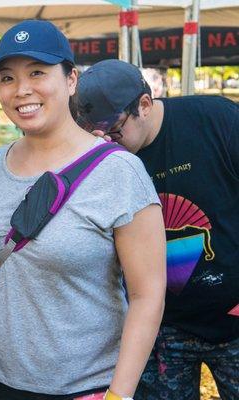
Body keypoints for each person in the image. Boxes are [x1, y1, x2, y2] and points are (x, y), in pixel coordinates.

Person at [0, 20, 166, 400]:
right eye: (7, 78)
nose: (21, 89)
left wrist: (118, 394)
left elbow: (148, 294)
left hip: (87, 386)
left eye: (38, 73)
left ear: (71, 79)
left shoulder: (119, 172)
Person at [77, 59, 239, 400]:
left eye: (114, 129)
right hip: (161, 329)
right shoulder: (101, 157)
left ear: (145, 105)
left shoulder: (218, 120)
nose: (105, 141)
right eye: (94, 132)